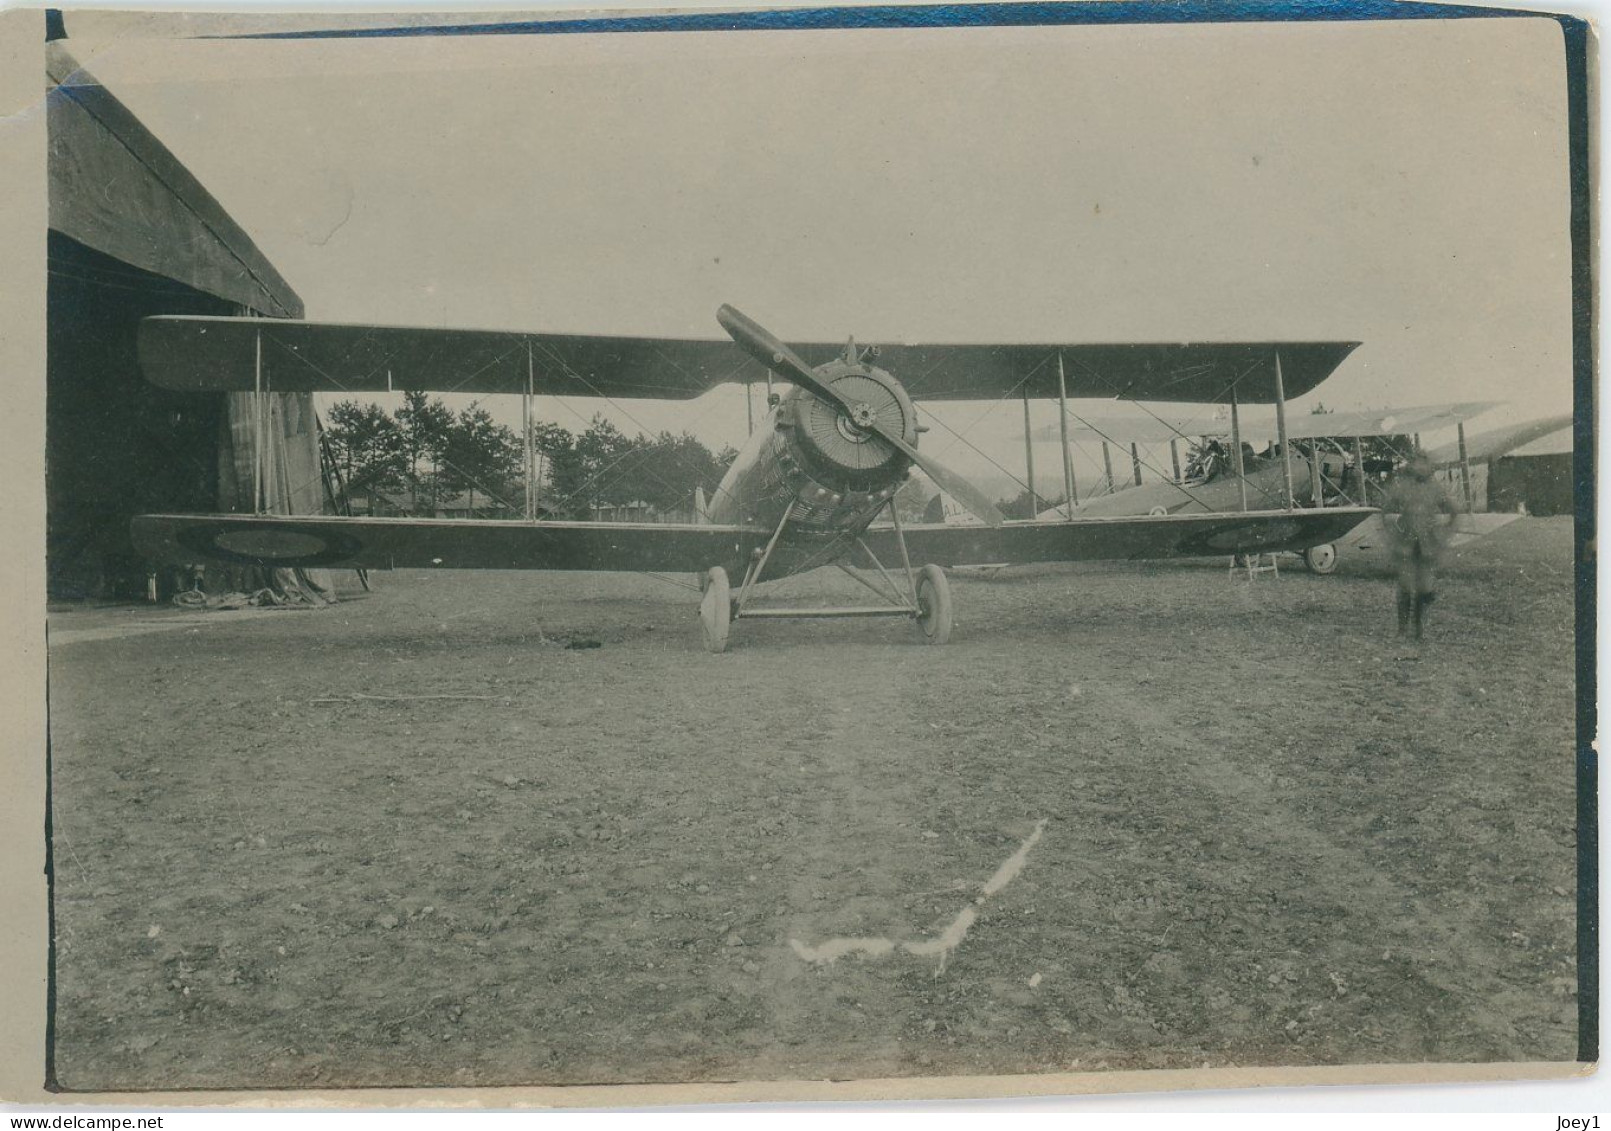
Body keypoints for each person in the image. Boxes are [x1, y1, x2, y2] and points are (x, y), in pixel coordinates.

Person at [1381, 454, 1457, 641]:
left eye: (1424, 464)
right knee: (1405, 588)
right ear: (1412, 466)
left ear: (1429, 467)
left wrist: (1443, 533)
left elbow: (1453, 511)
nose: (1420, 468)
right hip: (1406, 545)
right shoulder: (1403, 487)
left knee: (1424, 590)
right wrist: (1393, 533)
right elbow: (1385, 510)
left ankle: (1419, 629)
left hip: (1428, 546)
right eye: (1417, 464)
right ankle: (1402, 630)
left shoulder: (1436, 489)